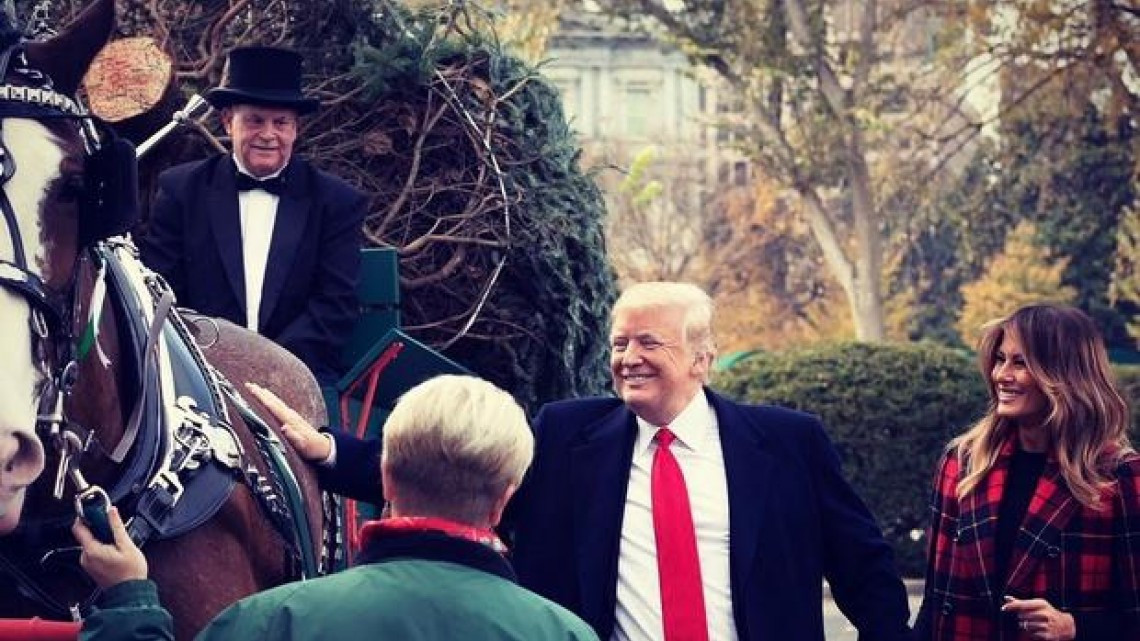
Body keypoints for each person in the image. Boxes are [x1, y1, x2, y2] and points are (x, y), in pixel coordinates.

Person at [275, 281, 913, 640]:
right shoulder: (566, 436)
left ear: (701, 358)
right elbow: (457, 471)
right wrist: (329, 451)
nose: (628, 358)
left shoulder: (788, 444)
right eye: (618, 343)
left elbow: (863, 568)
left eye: (648, 342)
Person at [73, 375, 600, 641]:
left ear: (385, 475)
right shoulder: (565, 634)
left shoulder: (269, 622)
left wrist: (127, 599)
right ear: (505, 499)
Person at [138, 46, 366, 385]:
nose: (268, 134)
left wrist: (270, 367)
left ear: (295, 129)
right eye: (255, 120)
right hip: (199, 372)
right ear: (228, 122)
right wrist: (210, 363)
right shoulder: (182, 190)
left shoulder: (336, 202)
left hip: (297, 373)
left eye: (281, 122)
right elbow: (162, 290)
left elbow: (335, 306)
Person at [913, 304, 1140, 641]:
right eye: (1000, 359)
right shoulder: (963, 462)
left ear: (1064, 374)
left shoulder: (1117, 474)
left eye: (1020, 363)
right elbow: (935, 599)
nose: (1001, 375)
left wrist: (1074, 627)